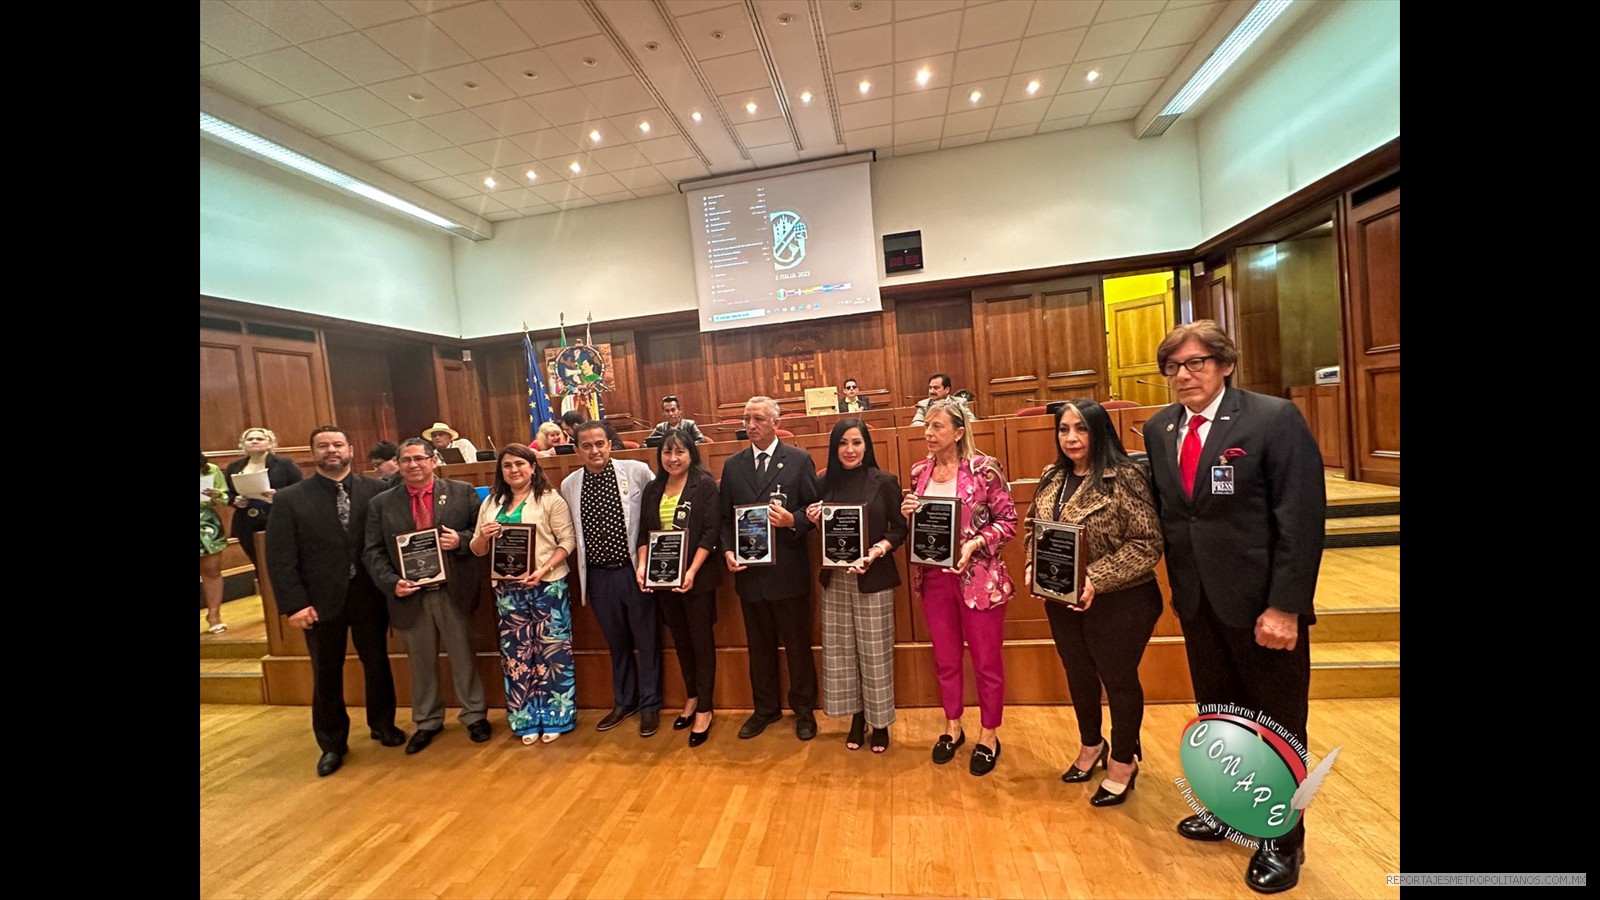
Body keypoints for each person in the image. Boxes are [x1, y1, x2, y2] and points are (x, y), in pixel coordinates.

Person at [1143, 321, 1325, 894]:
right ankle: (1229, 810)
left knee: (1276, 725)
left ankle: (1281, 840)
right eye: (1173, 367)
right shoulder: (1158, 428)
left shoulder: (1272, 419)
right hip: (1198, 603)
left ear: (1225, 364)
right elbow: (1179, 517)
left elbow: (1300, 521)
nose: (1183, 376)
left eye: (1195, 363)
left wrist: (1286, 607)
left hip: (1262, 607)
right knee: (1220, 718)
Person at [1022, 399, 1164, 807]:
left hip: (1121, 600)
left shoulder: (1125, 477)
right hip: (1061, 598)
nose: (1071, 438)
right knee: (1079, 673)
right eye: (1064, 429)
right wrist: (1033, 562)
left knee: (1118, 679)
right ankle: (1090, 744)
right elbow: (1035, 526)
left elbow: (1147, 542)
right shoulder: (1052, 476)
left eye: (1080, 429)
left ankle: (1123, 760)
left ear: (1099, 431)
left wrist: (1094, 579)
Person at [265, 425, 403, 777]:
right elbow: (280, 558)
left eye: (337, 444)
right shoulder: (290, 498)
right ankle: (331, 743)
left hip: (369, 594)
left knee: (377, 663)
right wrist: (294, 604)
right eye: (323, 446)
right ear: (312, 453)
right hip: (318, 601)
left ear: (351, 449)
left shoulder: (378, 490)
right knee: (326, 671)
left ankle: (383, 725)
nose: (331, 450)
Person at [901, 399, 1017, 775]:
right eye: (927, 427)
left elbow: (1008, 521)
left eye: (937, 427)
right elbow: (923, 531)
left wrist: (974, 543)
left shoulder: (984, 469)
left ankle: (989, 734)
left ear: (958, 432)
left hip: (979, 581)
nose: (929, 433)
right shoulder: (920, 471)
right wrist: (909, 515)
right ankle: (952, 727)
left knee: (986, 662)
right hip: (935, 580)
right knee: (946, 660)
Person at [363, 439, 491, 754]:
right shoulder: (381, 503)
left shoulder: (462, 492)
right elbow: (373, 551)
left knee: (463, 655)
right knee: (420, 662)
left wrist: (459, 540)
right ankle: (427, 721)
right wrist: (391, 582)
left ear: (434, 461)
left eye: (419, 458)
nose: (412, 465)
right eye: (405, 460)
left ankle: (474, 715)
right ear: (398, 464)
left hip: (453, 590)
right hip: (409, 594)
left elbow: (482, 531)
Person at [720, 396, 820, 741]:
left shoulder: (798, 460)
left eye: (758, 419)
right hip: (750, 572)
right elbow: (723, 518)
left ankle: (804, 710)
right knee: (759, 647)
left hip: (788, 570)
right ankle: (764, 708)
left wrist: (795, 519)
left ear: (775, 423)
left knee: (796, 645)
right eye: (746, 418)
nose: (751, 425)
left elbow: (814, 509)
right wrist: (729, 550)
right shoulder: (733, 465)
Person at [804, 418, 905, 753]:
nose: (850, 450)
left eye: (856, 443)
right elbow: (827, 532)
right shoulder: (824, 483)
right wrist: (816, 520)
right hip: (835, 581)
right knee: (843, 654)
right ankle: (857, 717)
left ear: (867, 445)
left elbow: (899, 529)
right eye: (843, 443)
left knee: (875, 655)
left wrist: (877, 551)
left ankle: (880, 723)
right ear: (835, 447)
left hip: (873, 578)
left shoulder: (885, 481)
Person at [559, 422, 662, 737]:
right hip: (599, 576)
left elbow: (654, 511)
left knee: (646, 640)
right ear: (577, 449)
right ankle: (624, 701)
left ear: (609, 444)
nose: (595, 451)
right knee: (617, 643)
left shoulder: (637, 471)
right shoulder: (570, 484)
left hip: (633, 571)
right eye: (587, 446)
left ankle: (650, 705)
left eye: (600, 443)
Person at [471, 444, 577, 744]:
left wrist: (543, 569)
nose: (514, 470)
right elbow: (477, 550)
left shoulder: (549, 500)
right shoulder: (491, 503)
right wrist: (483, 536)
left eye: (520, 464)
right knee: (516, 655)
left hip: (547, 584)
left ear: (533, 467)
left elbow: (567, 540)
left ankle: (557, 715)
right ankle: (525, 717)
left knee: (553, 653)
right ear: (501, 471)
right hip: (507, 591)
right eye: (507, 466)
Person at [635, 429, 721, 747]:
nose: (673, 458)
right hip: (662, 579)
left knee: (701, 641)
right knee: (681, 641)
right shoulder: (654, 488)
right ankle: (692, 697)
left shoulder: (705, 485)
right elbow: (645, 532)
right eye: (667, 452)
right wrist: (643, 566)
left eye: (680, 451)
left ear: (691, 454)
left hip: (696, 578)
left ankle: (706, 709)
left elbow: (711, 532)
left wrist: (692, 570)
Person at [223, 427, 304, 570]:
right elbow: (226, 492)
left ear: (270, 443)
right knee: (258, 563)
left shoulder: (284, 464)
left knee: (282, 561)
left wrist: (277, 494)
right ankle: (265, 589)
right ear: (243, 444)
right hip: (246, 519)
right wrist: (234, 500)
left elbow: (300, 488)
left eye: (259, 439)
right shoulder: (234, 466)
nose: (254, 442)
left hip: (277, 516)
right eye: (250, 439)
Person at [200, 453, 231, 634]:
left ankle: (214, 615)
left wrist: (216, 494)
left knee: (211, 570)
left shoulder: (210, 469)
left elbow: (224, 497)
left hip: (205, 524)